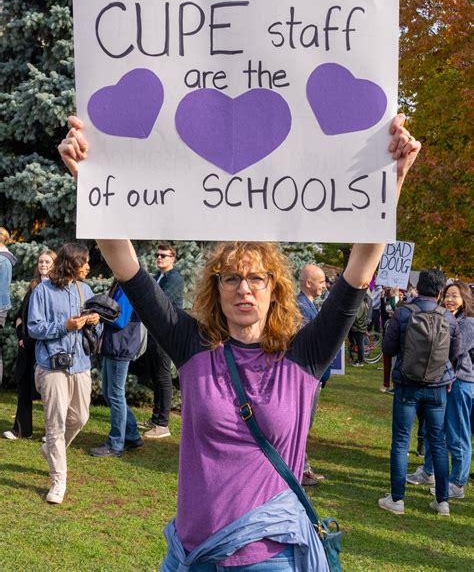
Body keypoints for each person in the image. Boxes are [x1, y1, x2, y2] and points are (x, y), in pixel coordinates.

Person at [59, 114, 419, 570]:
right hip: (191, 553)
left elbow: (357, 275)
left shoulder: (304, 355)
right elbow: (127, 267)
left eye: (255, 278)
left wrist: (392, 181)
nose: (243, 288)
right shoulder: (192, 344)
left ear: (274, 288)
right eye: (231, 278)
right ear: (216, 288)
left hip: (268, 555)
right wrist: (89, 179)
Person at [378, 269, 458, 517]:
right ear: (440, 291)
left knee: (401, 441)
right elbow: (455, 354)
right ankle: (442, 501)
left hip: (407, 386)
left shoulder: (404, 313)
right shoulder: (449, 317)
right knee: (437, 442)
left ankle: (397, 499)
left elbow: (388, 347)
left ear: (418, 286)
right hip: (437, 388)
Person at [28, 243, 102, 505]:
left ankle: (50, 449)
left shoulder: (86, 289)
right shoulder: (43, 291)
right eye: (85, 262)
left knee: (80, 417)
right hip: (51, 365)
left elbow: (97, 331)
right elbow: (34, 328)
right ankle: (59, 480)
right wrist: (64, 326)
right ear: (71, 263)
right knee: (55, 423)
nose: (88, 267)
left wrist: (95, 321)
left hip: (80, 363)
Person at [407, 280, 473, 498]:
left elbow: (452, 352)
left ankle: (457, 483)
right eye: (447, 295)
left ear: (465, 299)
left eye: (455, 296)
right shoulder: (452, 319)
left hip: (461, 384)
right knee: (436, 431)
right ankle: (429, 471)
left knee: (457, 435)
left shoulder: (466, 323)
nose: (450, 299)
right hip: (447, 382)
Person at [3, 250, 57, 440]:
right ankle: (22, 429)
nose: (43, 264)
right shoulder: (33, 287)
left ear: (54, 265)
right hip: (25, 346)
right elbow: (20, 315)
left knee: (49, 392)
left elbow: (50, 321)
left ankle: (52, 433)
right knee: (23, 385)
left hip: (44, 346)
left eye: (47, 262)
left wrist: (30, 339)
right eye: (41, 261)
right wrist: (21, 336)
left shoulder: (54, 289)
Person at [89, 280, 144, 457]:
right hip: (115, 346)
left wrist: (98, 312)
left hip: (120, 346)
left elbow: (120, 320)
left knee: (115, 394)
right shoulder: (121, 285)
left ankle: (115, 444)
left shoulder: (128, 288)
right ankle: (132, 435)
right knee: (109, 392)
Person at [138, 243, 184, 440]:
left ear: (172, 258)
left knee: (163, 376)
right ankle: (156, 418)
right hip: (154, 331)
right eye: (157, 255)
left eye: (164, 256)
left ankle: (163, 424)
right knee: (156, 375)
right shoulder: (160, 276)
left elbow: (159, 301)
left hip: (166, 332)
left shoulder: (174, 279)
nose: (159, 258)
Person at [296, 265, 328, 486]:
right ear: (309, 283)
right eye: (321, 281)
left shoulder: (310, 306)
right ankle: (300, 469)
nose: (324, 285)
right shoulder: (300, 307)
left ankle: (301, 466)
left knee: (306, 423)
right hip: (305, 375)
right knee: (302, 423)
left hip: (313, 375)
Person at [347, 294, 369, 366]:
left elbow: (356, 317)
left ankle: (360, 361)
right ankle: (352, 357)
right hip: (357, 327)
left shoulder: (360, 304)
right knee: (352, 342)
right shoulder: (363, 303)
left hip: (358, 328)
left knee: (360, 345)